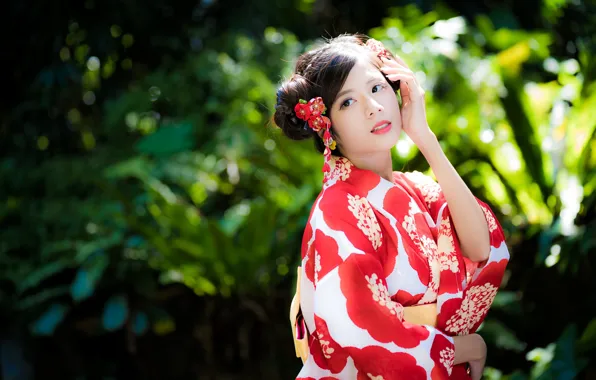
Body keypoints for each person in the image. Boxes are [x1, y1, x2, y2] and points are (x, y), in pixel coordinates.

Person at [274, 34, 510, 380]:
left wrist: (425, 137)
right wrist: (464, 347)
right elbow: (359, 328)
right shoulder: (336, 210)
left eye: (376, 88)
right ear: (329, 130)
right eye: (347, 103)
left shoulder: (416, 188)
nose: (372, 107)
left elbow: (480, 248)